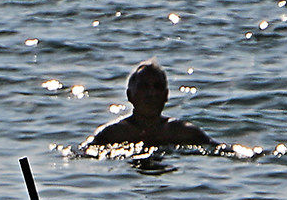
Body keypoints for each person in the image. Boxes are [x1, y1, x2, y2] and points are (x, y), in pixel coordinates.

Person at [84, 60, 215, 149]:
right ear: (130, 95)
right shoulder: (114, 133)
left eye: (157, 87)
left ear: (166, 96)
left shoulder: (183, 132)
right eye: (144, 87)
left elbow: (219, 150)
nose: (151, 93)